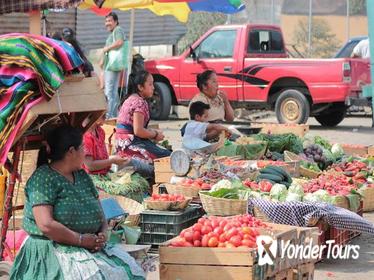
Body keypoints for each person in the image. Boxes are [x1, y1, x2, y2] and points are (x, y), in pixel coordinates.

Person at [10, 125, 145, 280]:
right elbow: (46, 224)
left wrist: (102, 233)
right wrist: (80, 240)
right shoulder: (43, 178)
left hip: (88, 246)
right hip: (54, 250)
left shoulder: (82, 176)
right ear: (71, 152)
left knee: (132, 271)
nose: (85, 152)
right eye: (83, 148)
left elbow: (99, 211)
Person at [83, 115, 152, 201]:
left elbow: (101, 157)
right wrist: (112, 160)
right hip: (91, 178)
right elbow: (90, 166)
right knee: (125, 191)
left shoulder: (100, 131)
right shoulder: (86, 136)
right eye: (103, 116)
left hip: (105, 174)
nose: (106, 118)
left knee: (139, 182)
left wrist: (114, 159)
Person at [116, 70, 171, 165]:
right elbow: (138, 131)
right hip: (130, 145)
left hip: (122, 144)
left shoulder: (130, 99)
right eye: (150, 84)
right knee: (167, 157)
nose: (153, 88)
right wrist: (155, 134)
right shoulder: (139, 102)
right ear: (140, 87)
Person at [103, 12, 127, 119]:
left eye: (109, 21)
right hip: (111, 66)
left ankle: (109, 115)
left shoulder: (118, 30)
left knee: (109, 91)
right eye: (106, 21)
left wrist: (106, 48)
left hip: (113, 66)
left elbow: (120, 42)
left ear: (116, 22)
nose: (107, 23)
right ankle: (114, 114)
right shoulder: (113, 32)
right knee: (112, 91)